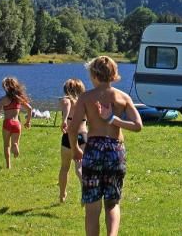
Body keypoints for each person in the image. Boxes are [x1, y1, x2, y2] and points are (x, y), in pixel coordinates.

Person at [69, 56, 142, 236]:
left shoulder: (86, 97)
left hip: (93, 149)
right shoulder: (122, 97)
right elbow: (138, 125)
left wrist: (75, 149)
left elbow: (73, 128)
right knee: (112, 202)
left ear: (94, 75)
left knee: (92, 206)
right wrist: (114, 120)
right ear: (114, 74)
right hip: (115, 151)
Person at [0, 77, 33, 169]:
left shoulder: (2, 100)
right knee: (15, 142)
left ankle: (8, 165)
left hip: (7, 123)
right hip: (16, 123)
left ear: (5, 87)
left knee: (6, 145)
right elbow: (30, 109)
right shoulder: (18, 99)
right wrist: (28, 122)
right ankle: (15, 145)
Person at [58, 78, 87, 203]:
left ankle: (62, 194)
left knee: (65, 167)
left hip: (69, 136)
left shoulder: (66, 100)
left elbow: (67, 105)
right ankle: (86, 193)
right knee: (80, 168)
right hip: (83, 136)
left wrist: (65, 119)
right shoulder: (85, 102)